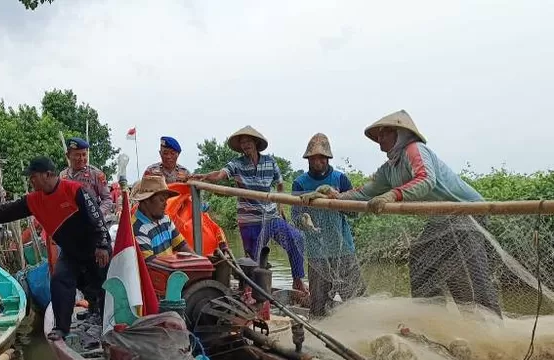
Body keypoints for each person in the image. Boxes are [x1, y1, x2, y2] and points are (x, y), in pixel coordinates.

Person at [319, 110, 501, 316]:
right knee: (421, 259)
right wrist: (333, 198)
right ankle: (431, 316)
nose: (379, 138)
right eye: (377, 135)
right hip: (442, 216)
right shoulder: (390, 168)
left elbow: (425, 179)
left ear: (400, 133)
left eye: (384, 133)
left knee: (467, 271)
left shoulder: (415, 150)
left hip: (468, 212)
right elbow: (364, 192)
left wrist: (392, 195)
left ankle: (489, 325)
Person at [0, 156, 111, 339]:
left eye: (33, 176)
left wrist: (103, 245)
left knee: (100, 286)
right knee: (59, 281)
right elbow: (3, 212)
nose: (30, 180)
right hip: (71, 252)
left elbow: (97, 219)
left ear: (47, 175)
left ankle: (103, 324)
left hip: (94, 248)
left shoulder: (75, 190)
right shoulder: (33, 200)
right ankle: (62, 328)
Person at [192, 125, 307, 292]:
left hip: (271, 217)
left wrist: (280, 206)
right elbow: (220, 174)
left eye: (248, 142)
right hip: (249, 220)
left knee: (296, 239)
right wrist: (203, 177)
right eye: (242, 143)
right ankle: (252, 292)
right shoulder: (237, 164)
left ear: (255, 143)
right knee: (252, 259)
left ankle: (297, 280)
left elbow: (280, 183)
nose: (245, 145)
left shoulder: (270, 162)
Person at [292, 133, 365, 317]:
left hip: (343, 249)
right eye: (314, 158)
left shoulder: (340, 179)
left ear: (328, 158)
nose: (318, 161)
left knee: (357, 299)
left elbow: (354, 212)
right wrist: (305, 221)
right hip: (317, 253)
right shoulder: (300, 183)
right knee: (318, 303)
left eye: (322, 157)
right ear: (308, 159)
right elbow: (296, 218)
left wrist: (337, 198)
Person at [132, 176, 194, 261]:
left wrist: (199, 261)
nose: (165, 204)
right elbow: (151, 265)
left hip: (169, 269)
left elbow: (182, 245)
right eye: (161, 200)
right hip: (156, 272)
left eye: (166, 200)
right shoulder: (137, 228)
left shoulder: (165, 219)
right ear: (146, 200)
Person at [60, 137, 114, 218]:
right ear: (68, 156)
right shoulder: (63, 176)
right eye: (77, 155)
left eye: (84, 154)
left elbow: (107, 199)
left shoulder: (95, 174)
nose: (82, 159)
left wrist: (97, 215)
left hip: (92, 222)